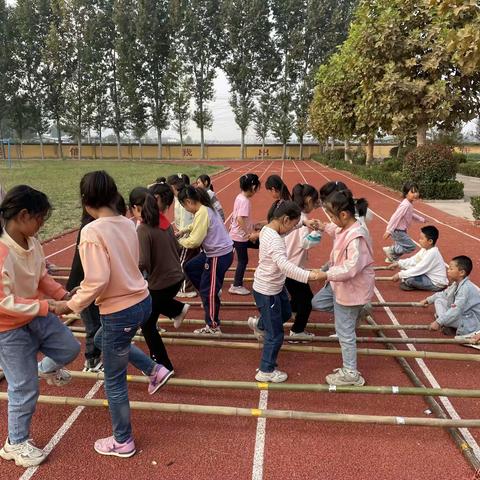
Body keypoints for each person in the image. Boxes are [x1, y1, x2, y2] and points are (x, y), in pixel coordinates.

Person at [51, 171, 173, 458]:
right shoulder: (128, 223)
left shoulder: (92, 231)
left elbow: (97, 281)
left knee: (114, 380)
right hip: (142, 300)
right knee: (104, 336)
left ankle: (123, 440)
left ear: (85, 201)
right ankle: (155, 369)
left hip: (120, 309)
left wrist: (68, 305)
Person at [0, 185, 80, 468]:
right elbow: (4, 302)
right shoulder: (2, 251)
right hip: (8, 328)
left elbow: (41, 275)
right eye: (40, 219)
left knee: (70, 347)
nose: (42, 225)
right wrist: (49, 306)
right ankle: (15, 443)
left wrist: (61, 295)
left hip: (36, 314)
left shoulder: (32, 242)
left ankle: (43, 369)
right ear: (23, 215)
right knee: (23, 388)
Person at [248, 200, 324, 383]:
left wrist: (304, 223)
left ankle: (260, 325)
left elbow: (291, 226)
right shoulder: (275, 240)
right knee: (276, 335)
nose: (292, 229)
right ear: (284, 219)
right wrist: (310, 276)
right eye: (292, 224)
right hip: (268, 291)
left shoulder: (270, 228)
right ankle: (266, 370)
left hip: (274, 287)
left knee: (286, 313)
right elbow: (285, 266)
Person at [312, 189, 374, 387]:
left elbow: (351, 268)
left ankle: (351, 373)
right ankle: (360, 311)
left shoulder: (357, 237)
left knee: (345, 332)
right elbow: (335, 229)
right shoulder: (344, 227)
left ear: (344, 215)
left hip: (350, 288)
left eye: (331, 216)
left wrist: (325, 274)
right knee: (317, 302)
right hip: (338, 284)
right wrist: (322, 226)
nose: (330, 220)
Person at [130, 185, 189, 371]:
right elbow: (177, 248)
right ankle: (177, 309)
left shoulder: (143, 230)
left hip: (161, 284)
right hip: (177, 278)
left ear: (136, 208)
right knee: (150, 308)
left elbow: (144, 262)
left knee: (147, 324)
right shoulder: (164, 221)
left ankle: (164, 365)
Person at [177, 186, 234, 335]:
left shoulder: (203, 212)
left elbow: (195, 242)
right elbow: (196, 225)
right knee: (190, 267)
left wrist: (177, 242)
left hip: (218, 255)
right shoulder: (204, 209)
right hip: (215, 252)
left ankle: (213, 326)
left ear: (188, 202)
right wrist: (184, 231)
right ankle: (210, 292)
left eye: (184, 206)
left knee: (208, 291)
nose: (185, 209)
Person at [284, 184, 323, 341]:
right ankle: (297, 330)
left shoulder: (293, 213)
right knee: (307, 301)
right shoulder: (303, 220)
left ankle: (289, 314)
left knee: (296, 298)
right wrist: (318, 231)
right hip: (294, 268)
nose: (316, 205)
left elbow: (317, 203)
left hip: (288, 265)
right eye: (314, 202)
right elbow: (305, 243)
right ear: (307, 200)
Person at [421, 256, 480, 342]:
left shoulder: (465, 289)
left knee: (449, 313)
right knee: (439, 300)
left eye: (451, 269)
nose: (448, 270)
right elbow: (443, 294)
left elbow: (456, 310)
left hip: (470, 322)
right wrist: (428, 300)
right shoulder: (456, 284)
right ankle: (446, 323)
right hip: (463, 314)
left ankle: (445, 323)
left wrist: (438, 322)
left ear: (462, 272)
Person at [229, 173, 261, 295]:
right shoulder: (245, 201)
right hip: (240, 236)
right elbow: (240, 219)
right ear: (253, 187)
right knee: (243, 260)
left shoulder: (239, 197)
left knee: (259, 245)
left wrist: (253, 226)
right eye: (257, 188)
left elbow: (241, 218)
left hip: (236, 234)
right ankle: (236, 285)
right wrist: (249, 234)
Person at [389, 225, 447, 291]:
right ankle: (410, 282)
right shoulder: (425, 249)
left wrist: (400, 275)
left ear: (430, 241)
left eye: (422, 239)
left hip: (436, 283)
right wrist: (398, 263)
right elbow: (414, 260)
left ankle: (410, 284)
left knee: (410, 279)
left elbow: (418, 269)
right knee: (408, 273)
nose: (419, 240)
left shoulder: (432, 253)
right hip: (427, 275)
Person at [167, 174, 197, 298]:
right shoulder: (180, 197)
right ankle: (195, 283)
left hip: (188, 237)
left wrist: (182, 236)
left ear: (173, 186)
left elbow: (186, 220)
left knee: (183, 262)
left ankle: (186, 289)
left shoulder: (182, 200)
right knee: (191, 262)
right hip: (187, 233)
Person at [383, 181, 425, 262]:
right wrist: (389, 231)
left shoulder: (409, 203)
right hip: (398, 231)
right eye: (412, 192)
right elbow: (395, 217)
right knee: (411, 246)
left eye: (416, 191)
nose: (415, 194)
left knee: (402, 245)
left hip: (401, 230)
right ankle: (391, 250)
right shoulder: (405, 205)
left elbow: (411, 213)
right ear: (406, 194)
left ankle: (391, 258)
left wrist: (421, 219)